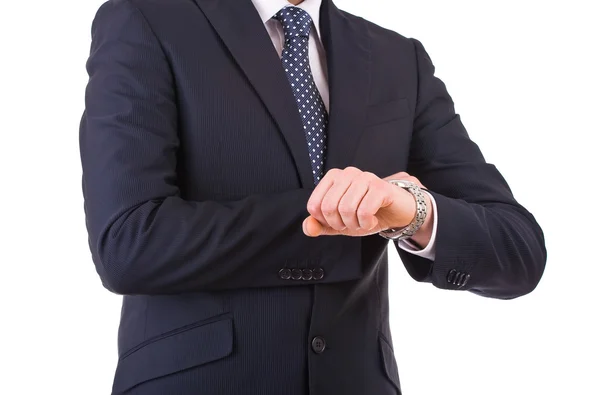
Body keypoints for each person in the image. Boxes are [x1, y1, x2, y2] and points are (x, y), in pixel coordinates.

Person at [79, 0, 547, 393]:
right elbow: (127, 242)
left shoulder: (397, 58)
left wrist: (412, 212)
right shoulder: (148, 19)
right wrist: (339, 214)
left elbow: (518, 251)